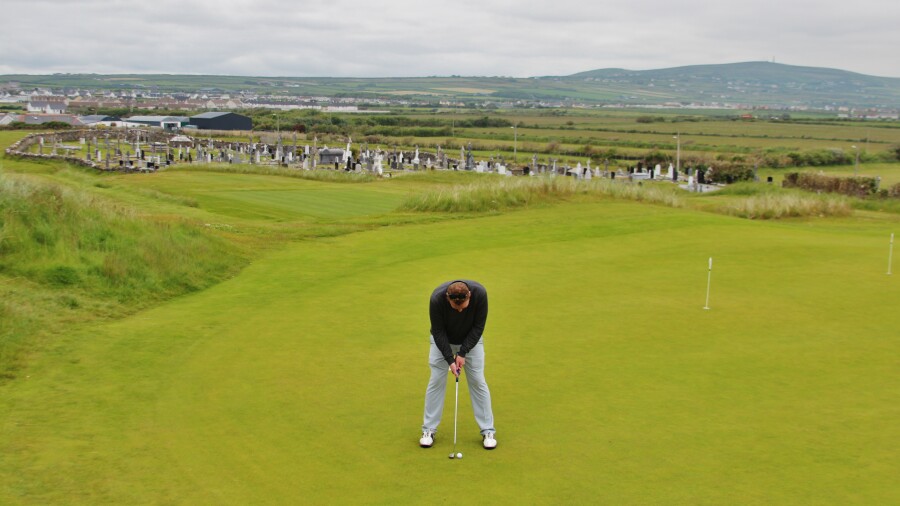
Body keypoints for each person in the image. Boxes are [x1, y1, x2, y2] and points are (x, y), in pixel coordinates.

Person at [419, 280, 497, 450]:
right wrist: (449, 359)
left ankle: (488, 431)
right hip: (442, 342)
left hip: (471, 342)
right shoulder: (437, 299)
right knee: (436, 381)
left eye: (464, 306)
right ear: (448, 299)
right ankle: (428, 430)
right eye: (456, 307)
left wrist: (462, 353)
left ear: (470, 296)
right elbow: (438, 331)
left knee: (477, 381)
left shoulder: (480, 295)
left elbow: (478, 327)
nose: (460, 310)